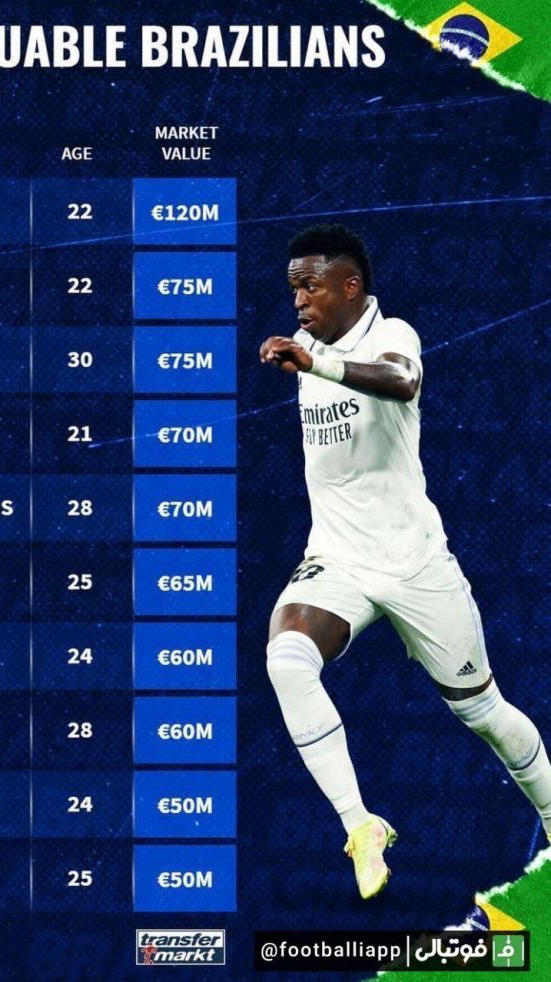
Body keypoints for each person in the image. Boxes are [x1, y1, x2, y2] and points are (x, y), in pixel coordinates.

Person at [259, 223, 551, 899]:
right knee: (286, 659)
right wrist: (308, 358)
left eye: (310, 287)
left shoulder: (392, 335)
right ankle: (360, 825)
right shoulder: (305, 345)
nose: (298, 301)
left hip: (415, 563)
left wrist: (317, 366)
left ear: (350, 286)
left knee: (482, 712)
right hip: (337, 558)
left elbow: (401, 380)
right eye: (293, 289)